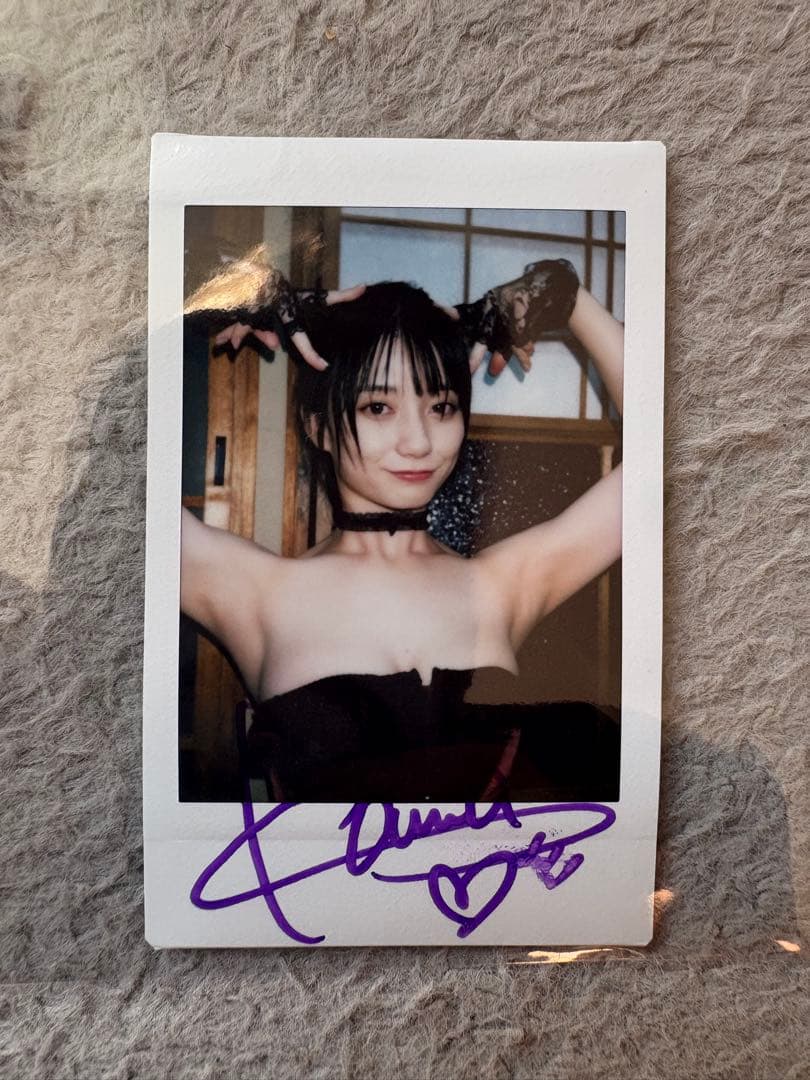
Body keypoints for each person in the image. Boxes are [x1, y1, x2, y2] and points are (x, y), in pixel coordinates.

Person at [181, 251, 623, 802]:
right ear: (318, 428)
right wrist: (234, 285)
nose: (418, 442)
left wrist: (557, 294)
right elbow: (104, 484)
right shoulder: (252, 592)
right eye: (378, 408)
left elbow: (665, 455)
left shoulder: (502, 585)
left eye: (441, 407)